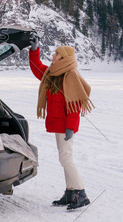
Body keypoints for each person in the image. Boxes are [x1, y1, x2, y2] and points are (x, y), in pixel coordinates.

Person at [29, 34, 94, 210]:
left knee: (65, 158)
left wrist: (70, 128)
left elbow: (74, 104)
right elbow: (37, 68)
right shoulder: (53, 73)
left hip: (66, 126)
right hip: (58, 125)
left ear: (64, 57)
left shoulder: (70, 75)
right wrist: (34, 50)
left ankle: (81, 193)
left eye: (56, 54)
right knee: (64, 157)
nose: (53, 56)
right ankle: (70, 192)